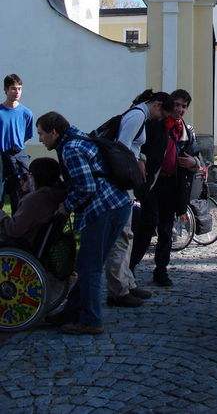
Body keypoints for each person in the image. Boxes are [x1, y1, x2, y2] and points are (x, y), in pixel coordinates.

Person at [36, 111, 131, 335]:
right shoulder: (79, 139)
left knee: (89, 267)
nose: (40, 139)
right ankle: (72, 311)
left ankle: (91, 320)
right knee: (91, 264)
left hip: (103, 208)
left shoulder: (70, 149)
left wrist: (66, 205)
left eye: (41, 134)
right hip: (117, 204)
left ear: (53, 132)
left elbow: (86, 187)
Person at [105, 90, 174, 307]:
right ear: (157, 104)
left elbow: (134, 147)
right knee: (122, 235)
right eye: (162, 114)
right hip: (122, 184)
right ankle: (118, 291)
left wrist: (141, 158)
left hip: (126, 183)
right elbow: (122, 148)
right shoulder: (137, 116)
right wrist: (133, 172)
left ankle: (127, 282)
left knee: (127, 235)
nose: (160, 119)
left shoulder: (141, 116)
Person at [130, 89, 201, 287]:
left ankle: (161, 270)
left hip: (173, 184)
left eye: (184, 106)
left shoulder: (186, 131)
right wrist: (142, 161)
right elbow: (139, 147)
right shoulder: (156, 123)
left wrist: (193, 162)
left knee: (166, 229)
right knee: (148, 225)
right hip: (154, 182)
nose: (180, 109)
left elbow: (197, 157)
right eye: (177, 105)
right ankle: (130, 267)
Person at [0, 157, 66, 247]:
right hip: (32, 242)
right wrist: (24, 192)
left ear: (37, 176)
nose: (29, 177)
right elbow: (29, 214)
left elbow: (14, 230)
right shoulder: (52, 194)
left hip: (18, 244)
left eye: (30, 174)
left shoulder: (36, 199)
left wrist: (1, 215)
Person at [0, 74, 34, 213]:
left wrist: (16, 147)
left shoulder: (26, 113)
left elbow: (27, 136)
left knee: (19, 195)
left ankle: (17, 223)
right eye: (13, 89)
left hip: (18, 157)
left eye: (19, 89)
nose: (17, 92)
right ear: (5, 89)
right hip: (1, 157)